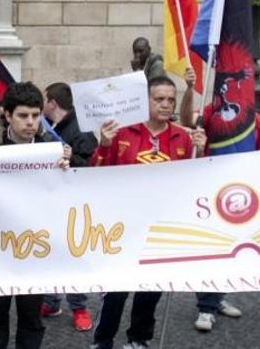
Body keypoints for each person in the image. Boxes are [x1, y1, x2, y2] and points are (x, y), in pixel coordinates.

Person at [90, 75, 206, 349]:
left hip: (161, 228)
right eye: (159, 99)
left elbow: (194, 182)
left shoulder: (183, 137)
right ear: (145, 100)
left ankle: (139, 339)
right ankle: (102, 340)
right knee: (115, 290)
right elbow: (95, 177)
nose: (165, 105)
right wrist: (104, 146)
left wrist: (200, 153)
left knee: (150, 290)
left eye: (170, 100)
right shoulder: (120, 133)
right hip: (122, 226)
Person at [0, 82, 71, 349]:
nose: (31, 122)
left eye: (36, 115)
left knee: (31, 319)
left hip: (35, 250)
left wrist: (66, 171)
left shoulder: (52, 149)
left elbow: (67, 195)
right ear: (7, 115)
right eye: (23, 116)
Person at [178, 66, 248, 332]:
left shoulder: (257, 120)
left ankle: (216, 299)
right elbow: (186, 120)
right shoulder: (211, 111)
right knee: (210, 249)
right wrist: (187, 89)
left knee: (230, 250)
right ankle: (206, 308)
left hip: (238, 194)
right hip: (208, 192)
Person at [39, 82, 97, 331]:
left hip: (75, 206)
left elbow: (92, 168)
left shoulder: (82, 129)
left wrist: (70, 156)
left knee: (75, 255)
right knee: (50, 252)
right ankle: (52, 301)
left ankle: (80, 307)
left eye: (44, 100)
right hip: (52, 201)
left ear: (52, 102)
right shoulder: (45, 128)